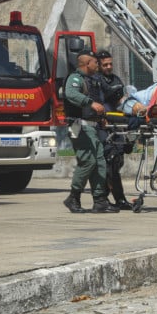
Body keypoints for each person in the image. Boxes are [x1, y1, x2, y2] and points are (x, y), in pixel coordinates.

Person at [62, 50, 119, 213]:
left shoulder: (92, 80)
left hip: (93, 127)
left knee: (100, 163)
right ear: (87, 64)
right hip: (80, 127)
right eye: (95, 62)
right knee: (88, 162)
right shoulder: (75, 78)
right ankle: (73, 197)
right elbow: (71, 93)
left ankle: (100, 200)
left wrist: (101, 116)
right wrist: (90, 103)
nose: (98, 65)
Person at [95, 50, 134, 210]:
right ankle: (106, 198)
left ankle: (114, 198)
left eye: (110, 64)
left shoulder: (115, 79)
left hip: (117, 124)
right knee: (109, 161)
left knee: (117, 160)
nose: (109, 67)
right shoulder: (95, 81)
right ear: (98, 65)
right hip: (103, 125)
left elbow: (121, 99)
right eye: (105, 65)